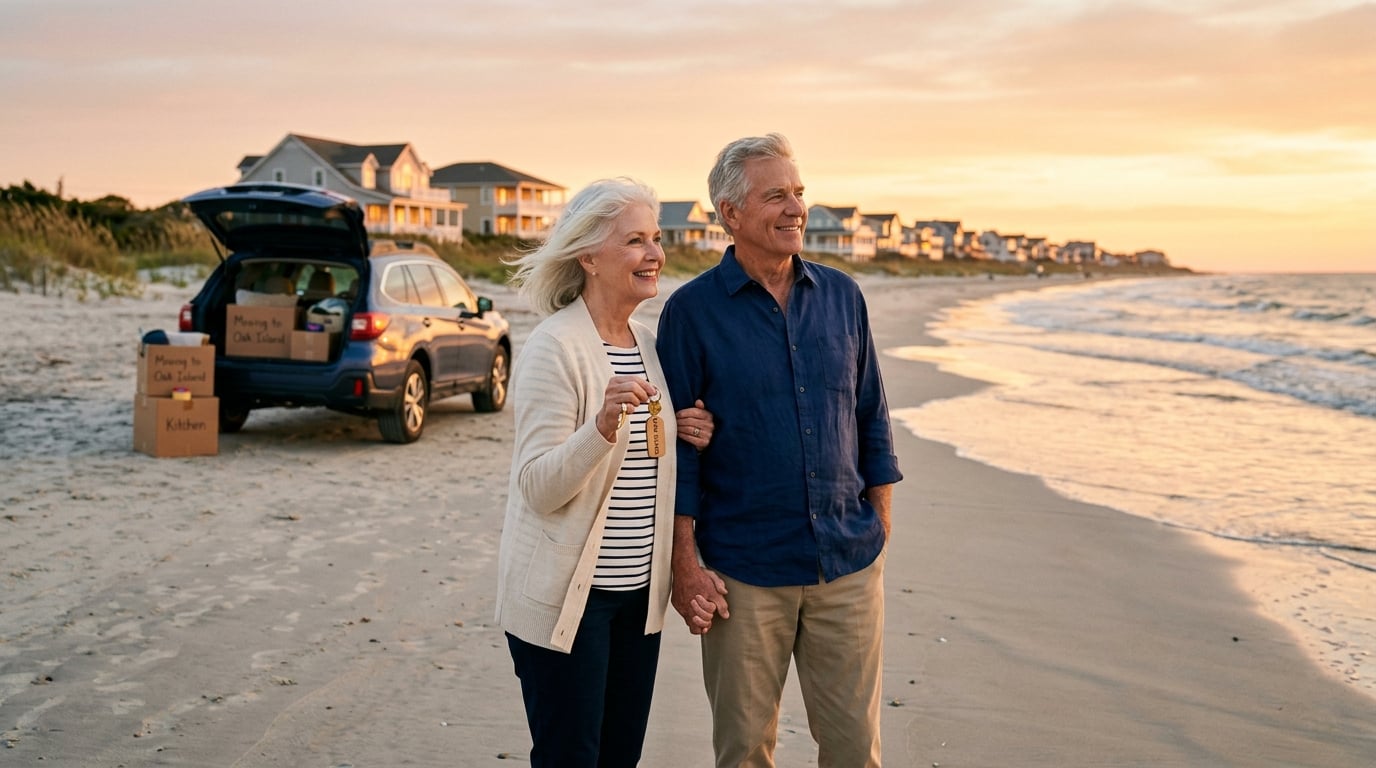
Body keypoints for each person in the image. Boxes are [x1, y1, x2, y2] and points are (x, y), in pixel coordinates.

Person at [656, 133, 903, 768]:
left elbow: (872, 415)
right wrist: (686, 563)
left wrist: (879, 525)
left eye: (798, 193)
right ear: (730, 215)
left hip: (846, 564)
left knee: (854, 751)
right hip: (744, 571)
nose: (796, 208)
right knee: (743, 752)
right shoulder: (689, 314)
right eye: (776, 196)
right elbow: (680, 453)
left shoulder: (844, 296)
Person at [495, 177, 717, 768]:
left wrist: (689, 430)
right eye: (635, 241)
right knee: (572, 757)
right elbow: (537, 486)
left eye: (656, 238)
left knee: (620, 757)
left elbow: (650, 458)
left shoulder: (649, 344)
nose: (654, 255)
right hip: (569, 599)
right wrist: (599, 427)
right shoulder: (554, 346)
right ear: (589, 257)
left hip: (637, 599)